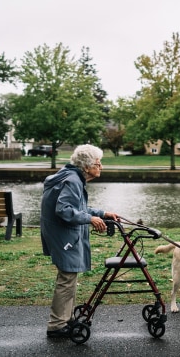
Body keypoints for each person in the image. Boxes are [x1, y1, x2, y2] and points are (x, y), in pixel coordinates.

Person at [40, 144, 119, 338]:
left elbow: (78, 206)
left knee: (69, 277)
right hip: (63, 235)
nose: (101, 167)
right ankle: (57, 325)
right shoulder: (73, 180)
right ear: (86, 166)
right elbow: (64, 210)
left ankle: (65, 319)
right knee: (67, 278)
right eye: (98, 164)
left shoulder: (72, 176)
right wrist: (90, 219)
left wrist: (101, 213)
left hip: (60, 233)